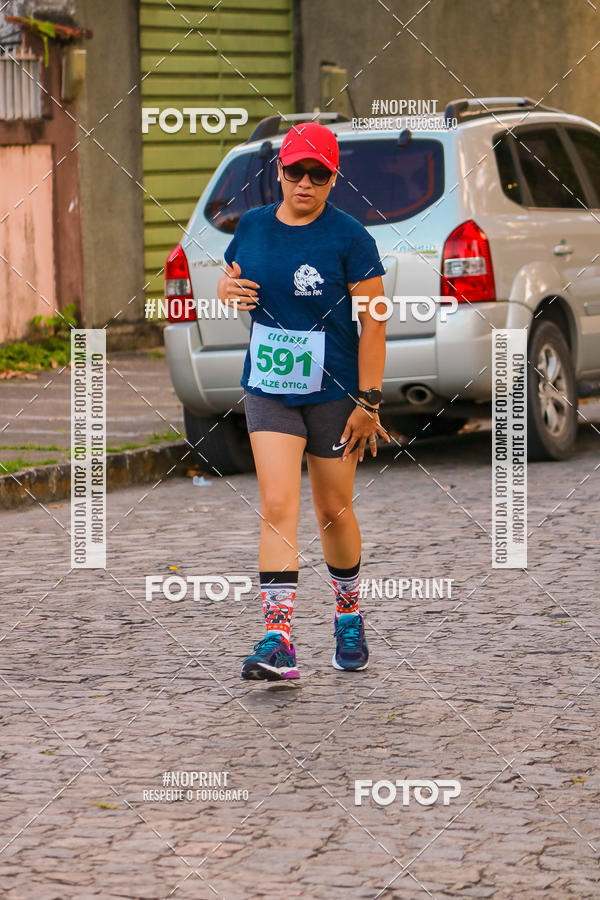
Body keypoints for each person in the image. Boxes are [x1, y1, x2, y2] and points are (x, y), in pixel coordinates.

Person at [217, 121, 390, 681]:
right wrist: (226, 289)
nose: (306, 183)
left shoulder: (350, 238)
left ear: (333, 178)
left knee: (332, 509)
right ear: (281, 172)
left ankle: (347, 616)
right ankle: (278, 638)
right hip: (269, 388)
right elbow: (232, 278)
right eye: (296, 171)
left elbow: (375, 324)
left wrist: (369, 401)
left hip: (334, 393)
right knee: (275, 505)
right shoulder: (253, 226)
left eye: (319, 173)